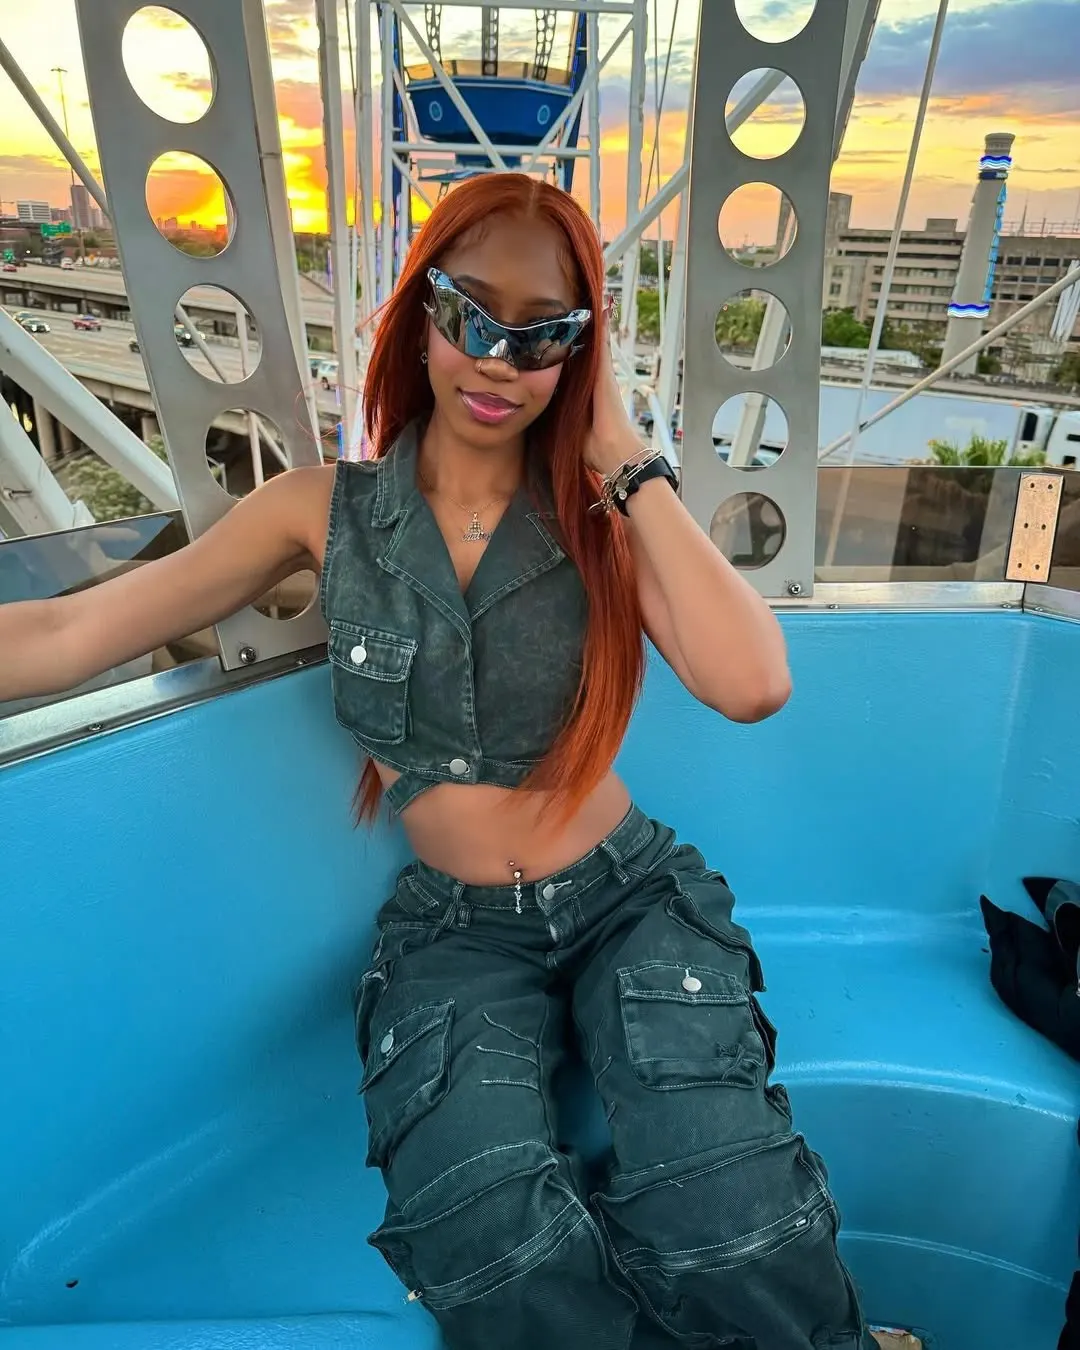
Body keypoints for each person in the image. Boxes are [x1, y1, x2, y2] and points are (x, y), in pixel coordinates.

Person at [0, 173, 883, 1350]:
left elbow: (751, 682)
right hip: (456, 932)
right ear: (420, 313)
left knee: (733, 1210)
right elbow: (71, 629)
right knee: (487, 1238)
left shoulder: (604, 517)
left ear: (580, 354)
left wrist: (625, 453)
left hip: (630, 899)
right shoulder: (322, 513)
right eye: (469, 314)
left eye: (544, 334)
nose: (497, 358)